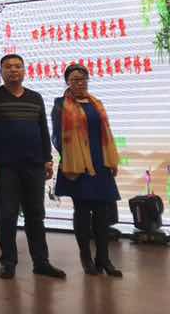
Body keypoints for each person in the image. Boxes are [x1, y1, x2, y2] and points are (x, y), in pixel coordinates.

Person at [0, 54, 65, 280]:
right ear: (1, 71)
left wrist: (47, 158)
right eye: (8, 67)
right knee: (7, 216)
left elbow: (43, 130)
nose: (13, 70)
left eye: (18, 66)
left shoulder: (35, 98)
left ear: (24, 71)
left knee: (36, 215)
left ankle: (41, 262)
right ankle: (8, 262)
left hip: (34, 165)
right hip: (6, 167)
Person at [51, 64, 122, 277]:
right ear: (67, 82)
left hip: (100, 163)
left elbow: (106, 133)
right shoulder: (60, 104)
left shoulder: (95, 103)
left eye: (83, 79)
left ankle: (104, 259)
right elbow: (58, 137)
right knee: (82, 212)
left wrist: (111, 160)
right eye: (75, 79)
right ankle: (86, 258)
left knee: (102, 213)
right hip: (77, 164)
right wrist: (75, 156)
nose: (80, 83)